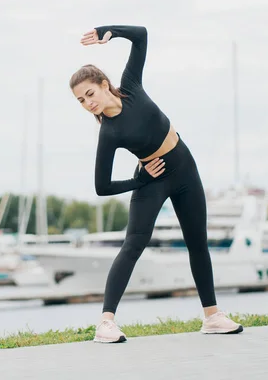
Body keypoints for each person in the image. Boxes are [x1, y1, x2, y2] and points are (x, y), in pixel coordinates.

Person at [70, 25, 244, 343]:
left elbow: (142, 35)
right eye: (81, 100)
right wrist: (139, 179)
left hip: (184, 168)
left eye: (90, 94)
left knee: (197, 242)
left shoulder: (132, 86)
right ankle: (106, 323)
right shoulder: (109, 132)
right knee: (134, 243)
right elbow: (102, 186)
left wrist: (107, 31)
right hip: (153, 179)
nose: (87, 103)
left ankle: (212, 317)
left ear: (104, 84)